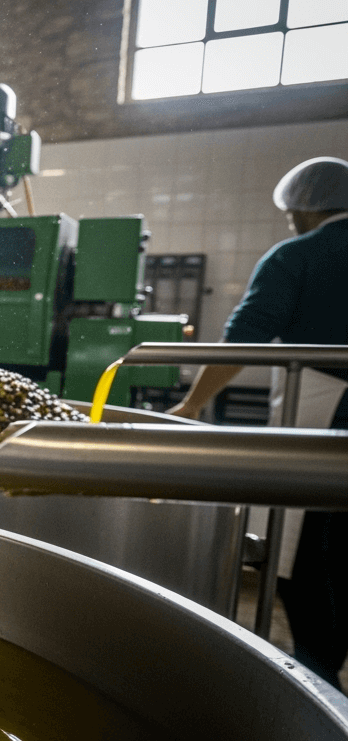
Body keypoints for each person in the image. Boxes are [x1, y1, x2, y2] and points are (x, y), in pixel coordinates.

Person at [168, 156, 348, 689]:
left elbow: (245, 337)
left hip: (327, 411)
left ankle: (315, 679)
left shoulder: (298, 255)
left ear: (301, 208)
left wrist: (191, 404)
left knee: (313, 554)